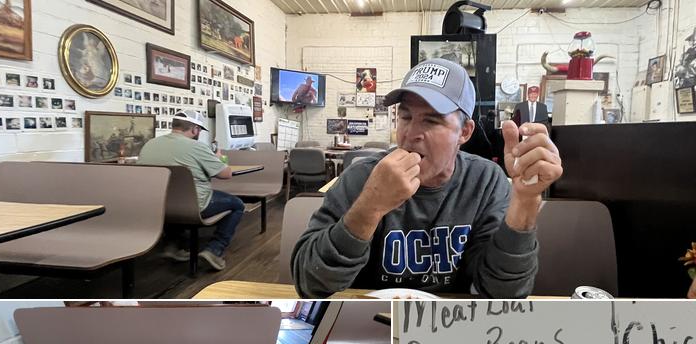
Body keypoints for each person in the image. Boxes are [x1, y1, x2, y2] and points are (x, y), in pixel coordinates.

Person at [291, 58, 563, 298]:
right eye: (405, 116)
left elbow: (502, 294)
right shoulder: (362, 176)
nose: (411, 134)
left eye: (431, 121)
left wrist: (525, 201)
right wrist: (370, 206)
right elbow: (310, 283)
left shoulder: (484, 181)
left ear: (465, 132)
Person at [137, 111, 244, 271]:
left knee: (174, 197)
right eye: (199, 130)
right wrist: (217, 159)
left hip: (158, 206)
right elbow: (226, 174)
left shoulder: (150, 144)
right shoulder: (197, 147)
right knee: (237, 204)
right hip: (194, 206)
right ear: (195, 129)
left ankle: (172, 246)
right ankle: (214, 250)